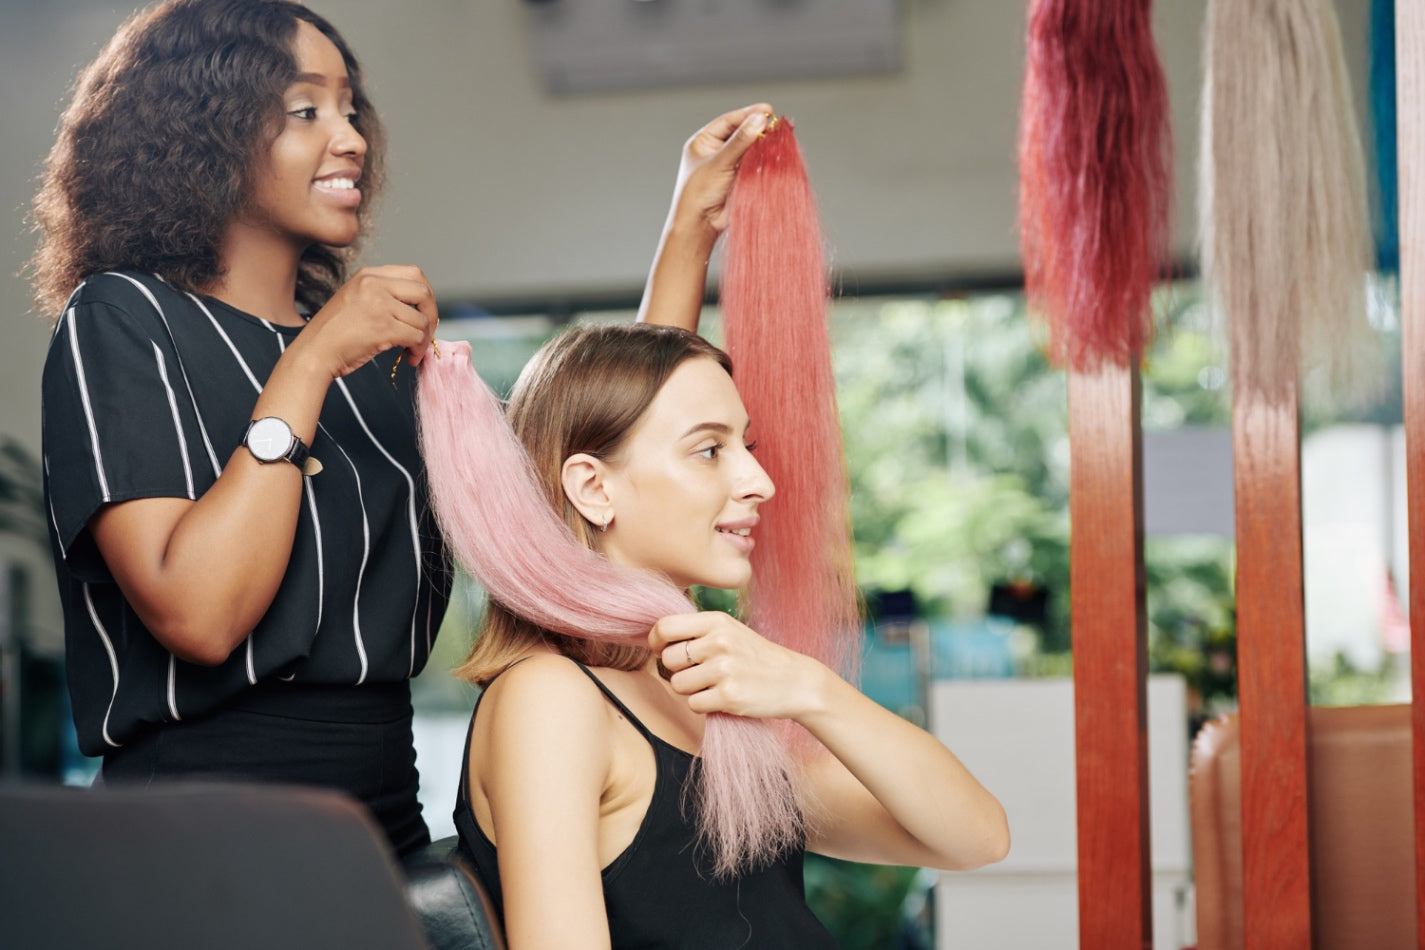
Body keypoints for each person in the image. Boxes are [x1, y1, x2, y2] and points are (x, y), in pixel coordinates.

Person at [32, 0, 770, 858]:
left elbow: (592, 485)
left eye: (351, 109)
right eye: (305, 109)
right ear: (203, 132)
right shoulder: (123, 318)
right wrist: (308, 365)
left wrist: (688, 230)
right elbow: (199, 615)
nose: (349, 138)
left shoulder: (379, 363)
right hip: (196, 841)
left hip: (386, 823)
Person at [447, 323, 1010, 947]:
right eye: (710, 450)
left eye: (746, 445)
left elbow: (976, 837)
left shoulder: (700, 690)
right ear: (593, 488)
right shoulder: (551, 698)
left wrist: (810, 688)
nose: (759, 481)